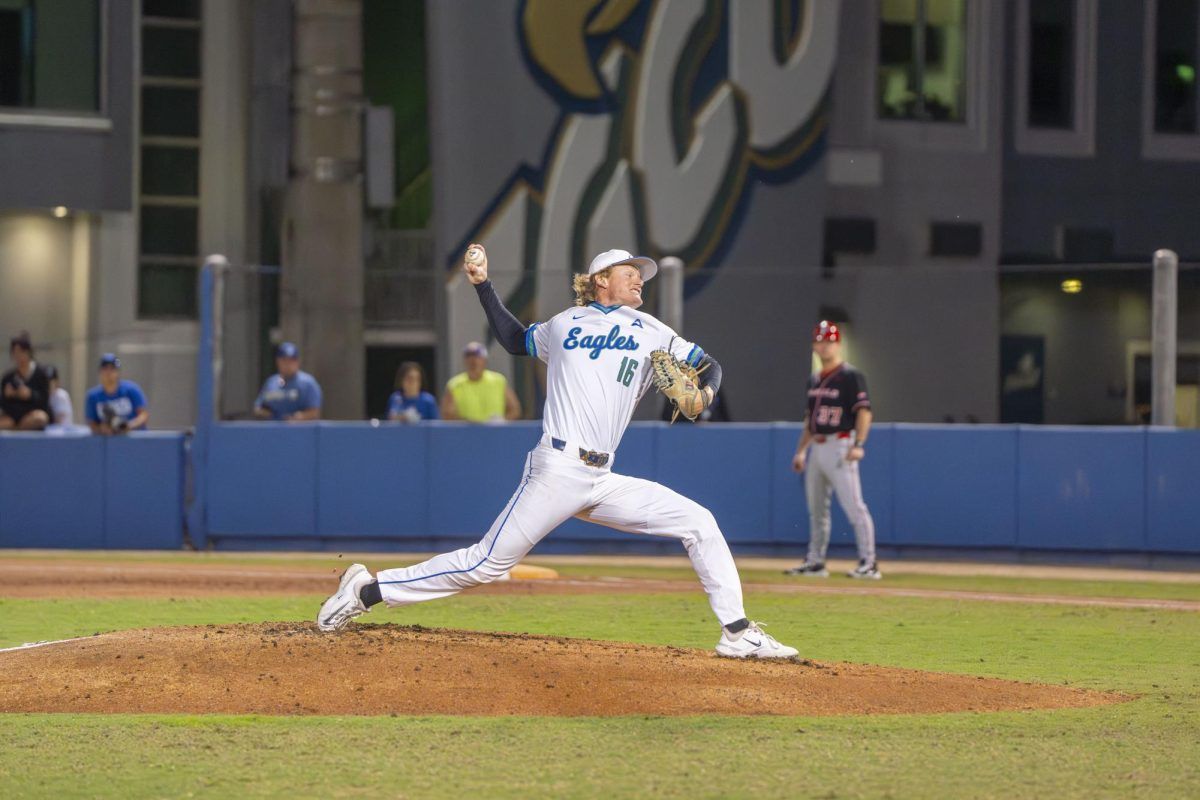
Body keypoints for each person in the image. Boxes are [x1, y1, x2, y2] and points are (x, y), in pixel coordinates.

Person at [318, 245, 799, 659]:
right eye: (631, 273)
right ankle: (366, 590)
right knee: (486, 564)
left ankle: (737, 632)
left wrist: (706, 394)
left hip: (602, 478)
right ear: (601, 280)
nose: (639, 280)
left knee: (699, 522)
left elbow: (710, 364)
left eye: (642, 275)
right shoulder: (565, 323)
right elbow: (512, 339)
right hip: (557, 469)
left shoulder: (652, 329)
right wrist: (483, 285)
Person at [785, 321, 880, 580]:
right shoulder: (814, 378)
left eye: (829, 341)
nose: (823, 345)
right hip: (817, 445)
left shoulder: (850, 376)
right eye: (819, 341)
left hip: (841, 444)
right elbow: (810, 419)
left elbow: (864, 412)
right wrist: (801, 451)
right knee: (816, 509)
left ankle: (869, 563)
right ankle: (815, 562)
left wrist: (859, 444)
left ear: (837, 344)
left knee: (854, 507)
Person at [441, 341, 522, 422]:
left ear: (485, 360)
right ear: (464, 360)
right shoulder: (454, 384)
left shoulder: (499, 381)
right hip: (467, 433)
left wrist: (502, 420)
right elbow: (447, 415)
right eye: (468, 356)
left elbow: (515, 410)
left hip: (495, 433)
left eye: (477, 356)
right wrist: (468, 424)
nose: (473, 360)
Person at [254, 342, 322, 422]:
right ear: (278, 361)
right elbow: (258, 408)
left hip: (300, 431)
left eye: (292, 360)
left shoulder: (308, 383)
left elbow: (314, 412)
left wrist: (300, 417)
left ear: (297, 361)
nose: (288, 364)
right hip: (274, 430)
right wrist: (265, 413)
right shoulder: (271, 383)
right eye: (284, 360)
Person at [85, 353, 149, 435]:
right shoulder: (93, 396)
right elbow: (91, 423)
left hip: (134, 439)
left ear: (118, 372)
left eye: (112, 368)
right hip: (109, 444)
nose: (109, 372)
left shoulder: (131, 389)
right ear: (100, 372)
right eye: (105, 368)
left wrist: (129, 426)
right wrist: (102, 428)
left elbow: (143, 415)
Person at [0, 332, 51, 431]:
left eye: (21, 352)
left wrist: (30, 395)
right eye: (15, 353)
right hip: (13, 416)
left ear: (28, 352)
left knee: (40, 418)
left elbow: (45, 400)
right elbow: (4, 405)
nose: (18, 356)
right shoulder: (8, 377)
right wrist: (8, 395)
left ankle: (18, 429)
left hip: (32, 415)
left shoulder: (41, 374)